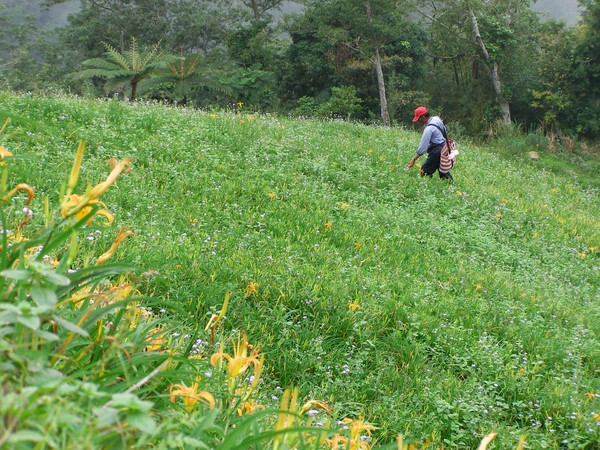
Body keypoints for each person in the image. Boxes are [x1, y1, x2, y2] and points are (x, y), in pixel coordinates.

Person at [404, 106, 453, 182]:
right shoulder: (436, 119)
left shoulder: (428, 129)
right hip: (444, 147)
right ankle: (449, 184)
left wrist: (413, 160)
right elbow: (444, 130)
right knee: (443, 170)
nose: (418, 121)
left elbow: (422, 148)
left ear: (423, 117)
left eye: (418, 119)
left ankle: (424, 184)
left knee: (425, 170)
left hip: (436, 151)